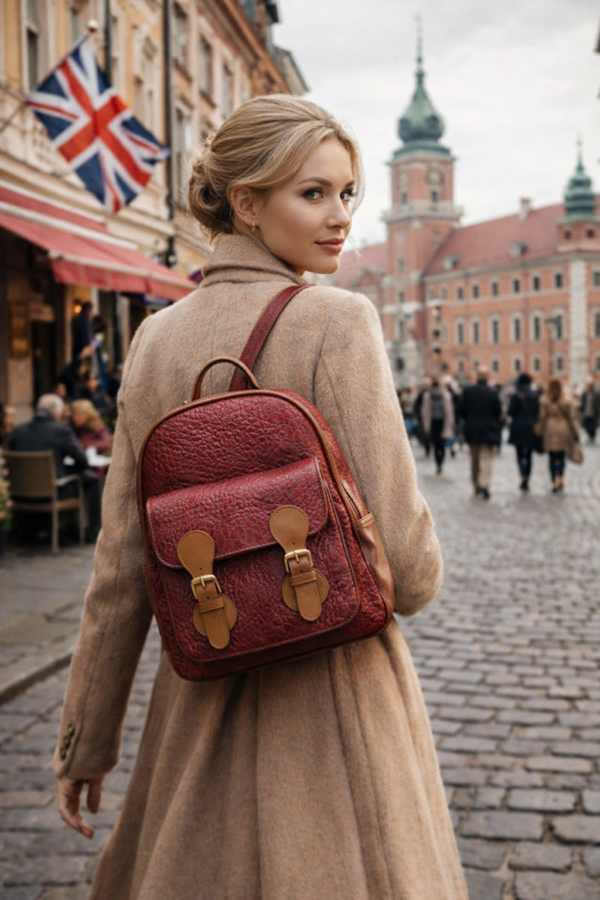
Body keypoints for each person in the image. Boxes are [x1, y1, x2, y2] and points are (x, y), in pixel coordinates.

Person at [52, 96, 467, 900]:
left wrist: (86, 744)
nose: (339, 217)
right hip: (336, 713)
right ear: (245, 200)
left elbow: (121, 569)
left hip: (197, 709)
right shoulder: (338, 323)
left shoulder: (155, 338)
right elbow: (412, 579)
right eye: (312, 193)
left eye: (347, 194)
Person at [8, 394, 101, 541]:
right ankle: (90, 531)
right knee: (93, 479)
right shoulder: (60, 430)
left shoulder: (19, 431)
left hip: (19, 492)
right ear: (57, 413)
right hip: (54, 491)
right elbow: (82, 461)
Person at [459, 365, 502, 499]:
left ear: (477, 377)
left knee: (474, 459)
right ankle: (485, 484)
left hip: (472, 430)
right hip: (488, 430)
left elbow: (461, 410)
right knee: (487, 459)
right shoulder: (492, 392)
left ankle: (476, 484)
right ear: (488, 377)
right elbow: (498, 412)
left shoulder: (468, 391)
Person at [539, 377, 580, 493]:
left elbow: (542, 417)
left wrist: (540, 431)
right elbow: (572, 418)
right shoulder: (566, 400)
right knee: (561, 456)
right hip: (563, 428)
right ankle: (560, 477)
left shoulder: (544, 400)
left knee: (552, 456)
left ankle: (553, 480)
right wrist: (575, 432)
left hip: (550, 428)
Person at [507, 372, 540, 492]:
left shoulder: (516, 395)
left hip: (518, 427)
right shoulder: (535, 395)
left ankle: (522, 474)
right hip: (531, 427)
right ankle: (528, 475)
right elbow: (538, 412)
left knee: (519, 453)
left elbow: (511, 412)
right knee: (529, 454)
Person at [420, 377, 455, 474]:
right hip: (442, 422)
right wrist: (451, 423)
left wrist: (425, 424)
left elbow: (424, 411)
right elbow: (449, 411)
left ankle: (438, 464)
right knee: (442, 444)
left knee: (435, 445)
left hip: (433, 423)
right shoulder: (446, 395)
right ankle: (440, 462)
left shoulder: (427, 396)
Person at [580, 376, 600, 445]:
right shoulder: (585, 393)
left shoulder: (596, 393)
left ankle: (592, 437)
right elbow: (583, 403)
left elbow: (598, 404)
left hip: (594, 413)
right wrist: (581, 410)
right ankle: (590, 436)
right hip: (586, 412)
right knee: (586, 426)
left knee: (593, 427)